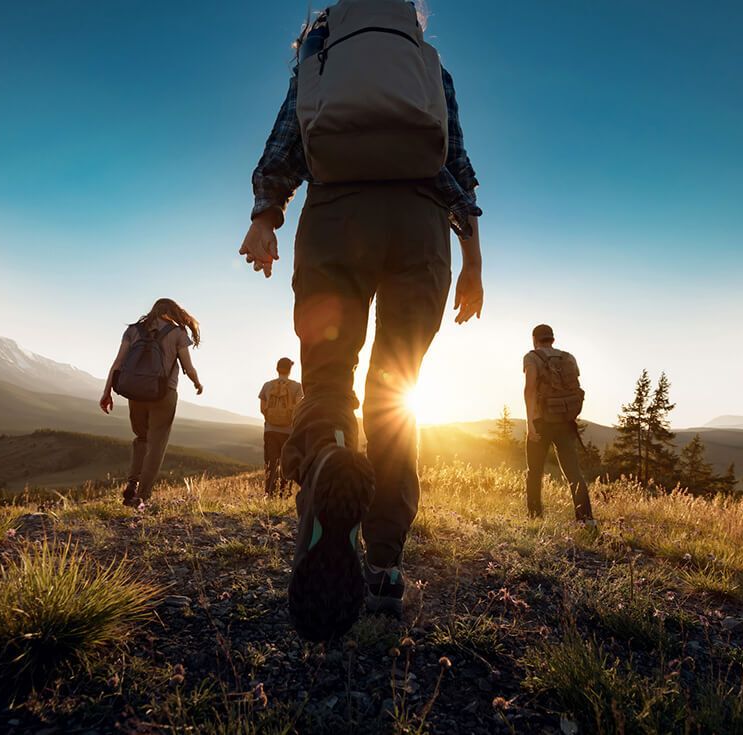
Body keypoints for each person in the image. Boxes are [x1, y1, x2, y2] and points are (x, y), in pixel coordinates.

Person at [238, 0, 484, 640]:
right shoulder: (427, 63)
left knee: (326, 379)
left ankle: (324, 459)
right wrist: (472, 262)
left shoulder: (320, 52)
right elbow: (456, 164)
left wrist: (266, 213)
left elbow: (288, 137)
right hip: (420, 230)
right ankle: (383, 569)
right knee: (395, 394)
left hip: (335, 221)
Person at [100, 298, 203, 507]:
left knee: (141, 438)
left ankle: (132, 482)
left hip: (136, 392)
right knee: (157, 445)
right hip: (164, 394)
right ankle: (143, 495)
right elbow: (188, 367)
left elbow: (118, 363)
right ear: (173, 312)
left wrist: (107, 391)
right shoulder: (177, 333)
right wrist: (197, 383)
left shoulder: (133, 330)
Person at [523, 324, 594, 522]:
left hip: (541, 421)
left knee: (535, 472)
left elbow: (529, 389)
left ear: (535, 339)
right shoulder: (569, 358)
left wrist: (529, 423)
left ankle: (535, 519)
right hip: (565, 421)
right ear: (552, 339)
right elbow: (573, 386)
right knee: (573, 472)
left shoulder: (532, 357)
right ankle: (586, 520)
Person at [259, 357, 304, 496]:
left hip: (270, 430)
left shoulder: (267, 385)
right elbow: (298, 409)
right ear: (290, 370)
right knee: (287, 463)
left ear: (277, 369)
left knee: (271, 463)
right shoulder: (297, 387)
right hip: (289, 432)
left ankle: (269, 493)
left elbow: (262, 409)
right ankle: (284, 493)